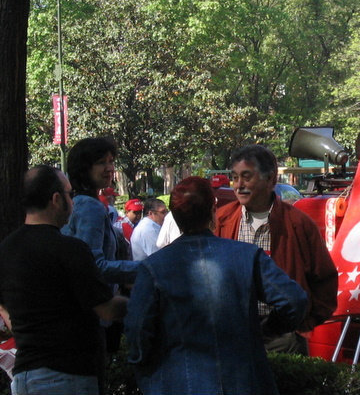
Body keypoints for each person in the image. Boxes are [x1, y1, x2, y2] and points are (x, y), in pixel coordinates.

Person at [124, 177, 307, 395]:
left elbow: (137, 331)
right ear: (213, 209)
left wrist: (146, 368)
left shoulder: (153, 268)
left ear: (174, 216)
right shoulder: (247, 256)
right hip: (245, 381)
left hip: (180, 382)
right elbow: (294, 301)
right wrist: (265, 330)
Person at [0, 166, 128, 395]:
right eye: (70, 194)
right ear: (56, 199)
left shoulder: (6, 249)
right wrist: (146, 296)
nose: (73, 201)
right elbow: (106, 309)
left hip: (24, 376)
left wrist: (26, 331)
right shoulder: (70, 250)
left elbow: (3, 305)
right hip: (67, 375)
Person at [215, 145, 338, 354]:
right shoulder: (222, 220)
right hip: (234, 334)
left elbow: (325, 279)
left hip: (283, 339)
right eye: (235, 178)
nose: (239, 185)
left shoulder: (298, 223)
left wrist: (305, 324)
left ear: (271, 179)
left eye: (247, 177)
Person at [61, 137, 140, 285]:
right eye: (101, 162)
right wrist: (148, 268)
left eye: (111, 161)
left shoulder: (78, 201)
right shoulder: (89, 206)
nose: (109, 168)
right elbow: (93, 266)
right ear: (84, 168)